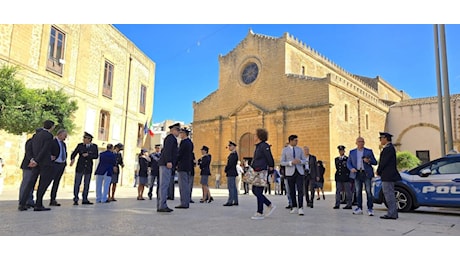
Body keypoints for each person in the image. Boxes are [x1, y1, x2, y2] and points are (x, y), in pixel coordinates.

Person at [249, 128, 276, 220]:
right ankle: (269, 204)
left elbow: (269, 157)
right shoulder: (258, 146)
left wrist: (272, 168)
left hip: (262, 171)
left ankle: (260, 212)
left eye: (255, 135)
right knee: (254, 190)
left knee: (258, 191)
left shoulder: (264, 146)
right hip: (256, 171)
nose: (254, 136)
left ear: (260, 136)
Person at [347, 136, 377, 216]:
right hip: (357, 173)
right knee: (358, 191)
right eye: (359, 141)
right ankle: (359, 207)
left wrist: (369, 161)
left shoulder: (369, 151)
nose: (361, 143)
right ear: (356, 143)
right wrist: (351, 168)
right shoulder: (352, 152)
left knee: (368, 191)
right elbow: (348, 163)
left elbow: (375, 162)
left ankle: (370, 208)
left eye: (362, 141)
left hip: (366, 173)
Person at [30, 120, 56, 211]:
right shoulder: (49, 136)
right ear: (52, 127)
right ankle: (38, 203)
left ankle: (34, 202)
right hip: (44, 162)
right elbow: (45, 149)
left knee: (33, 182)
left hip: (37, 161)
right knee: (43, 183)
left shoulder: (37, 135)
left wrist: (34, 159)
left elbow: (34, 148)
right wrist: (37, 160)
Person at [376, 132, 402, 220]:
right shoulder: (389, 148)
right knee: (389, 194)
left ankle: (392, 213)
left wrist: (378, 171)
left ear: (385, 138)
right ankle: (392, 212)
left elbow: (383, 162)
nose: (380, 140)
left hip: (388, 175)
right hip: (388, 174)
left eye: (381, 138)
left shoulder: (388, 149)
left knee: (388, 194)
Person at [280, 135, 307, 216]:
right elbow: (282, 162)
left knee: (300, 190)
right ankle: (294, 206)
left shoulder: (300, 149)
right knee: (291, 190)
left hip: (299, 172)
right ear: (291, 141)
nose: (296, 142)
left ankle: (301, 207)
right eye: (295, 140)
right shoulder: (285, 150)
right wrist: (290, 163)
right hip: (290, 172)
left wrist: (300, 161)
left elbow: (305, 160)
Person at [70, 132, 99, 205]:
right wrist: (72, 159)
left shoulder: (94, 146)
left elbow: (96, 156)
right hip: (80, 166)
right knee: (77, 183)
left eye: (85, 138)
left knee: (86, 184)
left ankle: (85, 199)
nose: (83, 139)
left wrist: (88, 155)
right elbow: (74, 153)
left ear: (89, 139)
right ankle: (76, 198)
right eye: (83, 138)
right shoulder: (80, 145)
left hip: (88, 167)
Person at [157, 122, 180, 213]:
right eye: (177, 130)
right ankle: (162, 205)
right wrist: (168, 161)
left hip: (165, 163)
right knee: (164, 185)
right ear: (173, 130)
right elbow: (167, 150)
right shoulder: (171, 138)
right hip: (166, 164)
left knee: (163, 185)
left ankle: (161, 204)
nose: (178, 132)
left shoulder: (171, 138)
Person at [175, 127, 194, 209]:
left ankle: (184, 203)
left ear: (184, 134)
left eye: (181, 133)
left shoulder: (184, 142)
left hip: (183, 166)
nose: (180, 134)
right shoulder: (190, 142)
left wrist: (175, 162)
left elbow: (180, 154)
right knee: (186, 184)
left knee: (183, 185)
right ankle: (186, 201)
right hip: (188, 166)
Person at [49, 129, 68, 206]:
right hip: (54, 164)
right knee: (47, 181)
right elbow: (48, 150)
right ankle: (39, 200)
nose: (65, 137)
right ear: (59, 135)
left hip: (61, 164)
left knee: (56, 182)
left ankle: (53, 199)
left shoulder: (63, 144)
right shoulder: (53, 142)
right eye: (64, 135)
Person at [18, 137, 35, 209]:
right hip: (28, 165)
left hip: (34, 166)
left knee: (31, 184)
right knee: (26, 184)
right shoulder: (30, 141)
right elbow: (28, 153)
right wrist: (32, 160)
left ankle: (29, 201)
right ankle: (22, 201)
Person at [333, 145, 353, 209]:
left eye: (342, 150)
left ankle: (349, 204)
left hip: (346, 177)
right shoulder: (336, 159)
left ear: (344, 151)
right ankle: (337, 204)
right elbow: (337, 167)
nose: (341, 152)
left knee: (348, 191)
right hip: (339, 177)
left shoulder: (347, 159)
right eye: (340, 151)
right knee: (338, 191)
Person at [223, 141, 239, 206]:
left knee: (231, 187)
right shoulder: (233, 154)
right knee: (234, 187)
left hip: (231, 172)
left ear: (234, 147)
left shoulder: (233, 155)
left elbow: (230, 164)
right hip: (232, 172)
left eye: (230, 146)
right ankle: (235, 200)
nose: (229, 147)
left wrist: (226, 169)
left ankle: (230, 201)